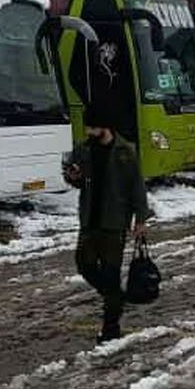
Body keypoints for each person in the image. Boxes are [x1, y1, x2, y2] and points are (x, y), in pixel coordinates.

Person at [63, 124, 150, 343]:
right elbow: (75, 179)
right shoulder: (84, 150)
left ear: (105, 127)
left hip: (114, 223)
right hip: (89, 221)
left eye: (92, 128)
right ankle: (116, 299)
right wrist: (73, 176)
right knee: (84, 265)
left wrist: (140, 219)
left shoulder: (124, 151)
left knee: (111, 274)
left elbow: (137, 186)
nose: (88, 133)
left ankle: (110, 327)